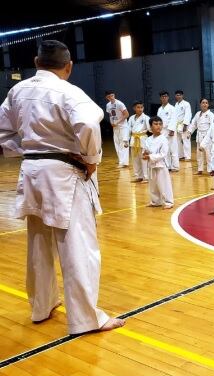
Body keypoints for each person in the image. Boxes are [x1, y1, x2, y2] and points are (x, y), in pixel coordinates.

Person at [0, 40, 124, 333]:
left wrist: (28, 150)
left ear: (36, 61)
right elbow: (90, 125)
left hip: (32, 172)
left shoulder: (17, 91)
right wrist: (91, 158)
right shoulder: (68, 91)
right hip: (64, 173)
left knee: (39, 242)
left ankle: (41, 306)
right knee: (77, 245)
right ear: (68, 66)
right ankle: (84, 319)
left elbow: (3, 131)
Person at [143, 116, 174, 209]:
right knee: (153, 185)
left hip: (161, 165)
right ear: (150, 126)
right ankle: (156, 201)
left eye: (160, 124)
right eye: (155, 124)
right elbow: (146, 150)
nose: (158, 126)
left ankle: (169, 202)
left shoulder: (163, 139)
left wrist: (151, 156)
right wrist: (145, 154)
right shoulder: (148, 139)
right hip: (151, 165)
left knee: (164, 184)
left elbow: (163, 153)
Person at [186, 98, 214, 175]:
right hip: (199, 135)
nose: (204, 104)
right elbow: (193, 124)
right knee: (199, 154)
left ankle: (210, 170)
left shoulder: (211, 115)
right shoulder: (198, 113)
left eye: (206, 103)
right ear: (200, 104)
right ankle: (200, 170)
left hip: (207, 136)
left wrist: (208, 137)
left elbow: (212, 127)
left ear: (208, 105)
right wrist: (189, 132)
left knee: (209, 154)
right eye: (203, 103)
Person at [105, 90, 129, 168]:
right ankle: (121, 161)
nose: (111, 97)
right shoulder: (108, 105)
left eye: (112, 95)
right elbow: (110, 115)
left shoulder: (119, 103)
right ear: (107, 97)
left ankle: (125, 162)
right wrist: (111, 123)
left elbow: (126, 114)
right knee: (117, 144)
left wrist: (118, 122)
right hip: (115, 127)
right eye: (109, 96)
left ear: (114, 95)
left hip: (123, 126)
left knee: (124, 144)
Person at [128, 101, 150, 183]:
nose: (140, 109)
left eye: (141, 107)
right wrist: (126, 140)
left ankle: (146, 177)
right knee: (135, 159)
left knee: (144, 159)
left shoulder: (146, 118)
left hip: (142, 138)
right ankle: (138, 176)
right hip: (134, 139)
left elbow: (150, 129)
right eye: (138, 107)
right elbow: (128, 129)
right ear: (134, 108)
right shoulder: (131, 118)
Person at [156, 91, 177, 171]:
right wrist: (158, 130)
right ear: (160, 98)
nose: (164, 98)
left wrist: (172, 130)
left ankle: (175, 166)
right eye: (162, 96)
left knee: (173, 149)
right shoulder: (160, 109)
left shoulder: (172, 108)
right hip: (162, 130)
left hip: (170, 130)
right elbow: (158, 121)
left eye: (165, 96)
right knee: (165, 149)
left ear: (168, 97)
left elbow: (174, 119)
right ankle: (168, 166)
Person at [174, 90, 192, 161]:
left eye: (179, 95)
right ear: (175, 96)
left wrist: (185, 125)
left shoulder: (186, 104)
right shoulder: (176, 104)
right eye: (177, 95)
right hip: (177, 125)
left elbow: (188, 114)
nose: (178, 96)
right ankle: (181, 155)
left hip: (184, 124)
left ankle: (187, 156)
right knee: (178, 140)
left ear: (182, 95)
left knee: (186, 140)